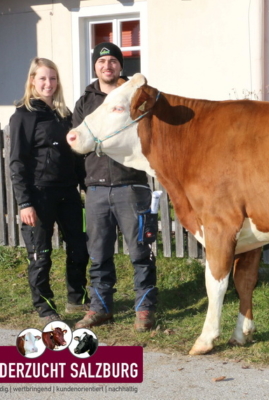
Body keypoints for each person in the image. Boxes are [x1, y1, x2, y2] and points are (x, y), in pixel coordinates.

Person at [73, 42, 158, 332]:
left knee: (140, 251)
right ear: (95, 67)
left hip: (131, 185)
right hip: (96, 188)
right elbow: (79, 142)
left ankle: (145, 308)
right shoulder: (86, 102)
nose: (106, 66)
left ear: (121, 66)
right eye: (101, 61)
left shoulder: (136, 97)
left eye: (112, 61)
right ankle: (100, 307)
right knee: (98, 254)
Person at [9, 57, 89, 325]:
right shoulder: (23, 115)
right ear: (32, 80)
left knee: (79, 248)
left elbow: (75, 157)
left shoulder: (64, 115)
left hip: (68, 193)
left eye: (53, 78)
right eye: (42, 78)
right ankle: (44, 307)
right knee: (40, 255)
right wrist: (24, 203)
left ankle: (76, 299)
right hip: (39, 195)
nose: (48, 83)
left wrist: (85, 187)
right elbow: (17, 162)